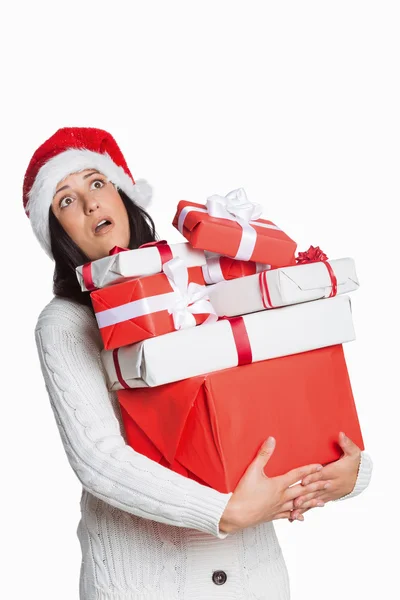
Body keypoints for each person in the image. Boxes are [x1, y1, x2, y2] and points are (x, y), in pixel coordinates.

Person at [23, 127, 373, 600]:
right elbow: (99, 460)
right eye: (65, 200)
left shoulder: (205, 280)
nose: (89, 204)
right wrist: (224, 511)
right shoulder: (64, 325)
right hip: (145, 583)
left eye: (97, 183)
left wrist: (347, 473)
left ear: (124, 196)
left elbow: (275, 399)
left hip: (255, 579)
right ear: (56, 235)